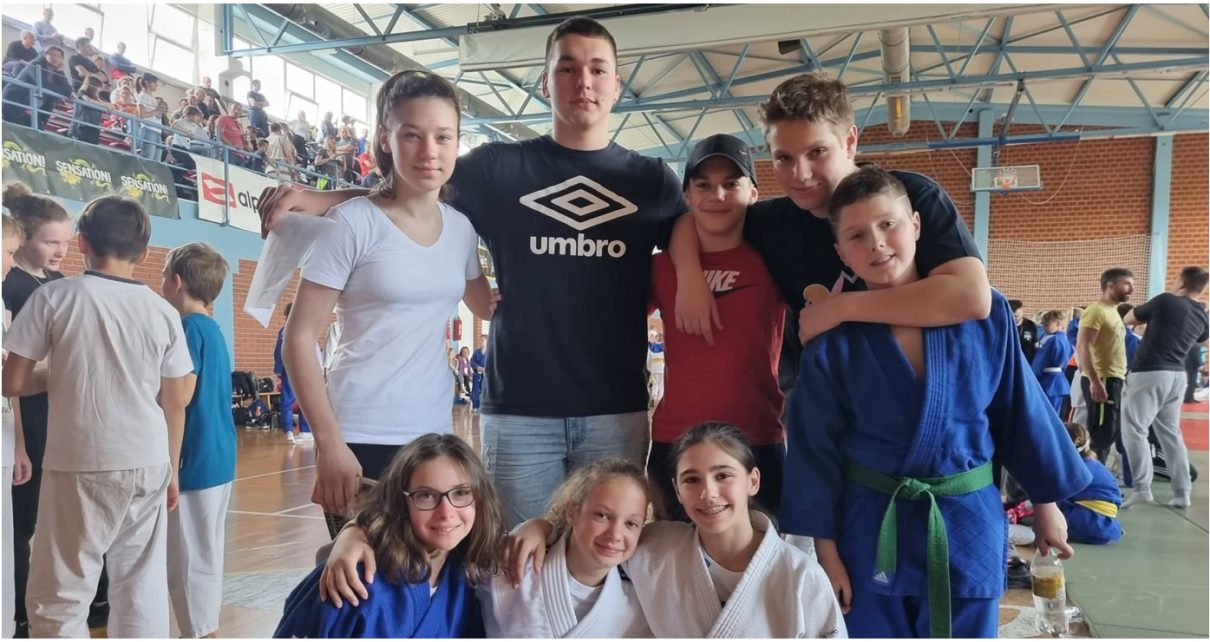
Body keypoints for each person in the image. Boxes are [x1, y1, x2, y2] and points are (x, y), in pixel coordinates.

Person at [258, 18, 688, 528]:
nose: (583, 82)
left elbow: (696, 236)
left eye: (598, 70)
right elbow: (409, 190)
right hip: (519, 412)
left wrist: (691, 278)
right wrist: (321, 198)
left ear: (616, 85)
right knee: (516, 559)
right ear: (544, 81)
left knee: (605, 556)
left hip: (615, 410)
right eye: (567, 68)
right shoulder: (497, 169)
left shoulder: (652, 180)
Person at [782, 167, 1090, 638]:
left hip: (967, 522)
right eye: (857, 236)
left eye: (888, 224)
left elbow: (1018, 409)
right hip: (871, 526)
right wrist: (827, 552)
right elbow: (813, 450)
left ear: (916, 226)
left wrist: (1045, 504)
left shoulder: (986, 316)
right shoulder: (833, 341)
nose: (877, 243)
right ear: (841, 251)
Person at [668, 72, 989, 431]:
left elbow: (970, 296)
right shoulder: (773, 222)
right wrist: (689, 278)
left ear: (849, 141)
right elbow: (692, 221)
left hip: (926, 405)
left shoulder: (905, 197)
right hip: (833, 412)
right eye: (783, 158)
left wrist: (839, 309)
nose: (800, 174)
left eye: (817, 152)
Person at [282, 71, 493, 531]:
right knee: (362, 570)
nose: (429, 151)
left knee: (427, 570)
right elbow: (298, 337)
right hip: (359, 433)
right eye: (412, 135)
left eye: (443, 137)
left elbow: (487, 306)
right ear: (385, 138)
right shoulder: (350, 223)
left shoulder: (461, 230)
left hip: (433, 436)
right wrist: (329, 442)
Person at [2, 195, 194, 638]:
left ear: (83, 242)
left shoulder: (54, 297)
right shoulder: (163, 311)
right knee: (141, 586)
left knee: (61, 588)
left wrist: (62, 372)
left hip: (81, 460)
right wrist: (172, 469)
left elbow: (12, 383)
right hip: (149, 458)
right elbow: (177, 397)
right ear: (145, 253)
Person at [475, 422, 846, 637]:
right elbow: (596, 539)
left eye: (723, 476)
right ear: (678, 492)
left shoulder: (801, 577)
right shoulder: (658, 547)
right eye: (692, 479)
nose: (708, 493)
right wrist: (540, 527)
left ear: (753, 481)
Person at [647, 133, 787, 520]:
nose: (717, 195)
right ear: (687, 196)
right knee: (674, 551)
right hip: (676, 437)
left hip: (756, 435)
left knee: (760, 550)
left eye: (731, 184)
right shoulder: (662, 267)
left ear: (753, 194)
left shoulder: (774, 262)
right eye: (704, 185)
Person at [274, 433, 503, 638]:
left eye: (461, 493)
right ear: (400, 501)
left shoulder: (463, 571)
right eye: (425, 495)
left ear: (480, 498)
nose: (446, 512)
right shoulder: (358, 583)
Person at [2, 183, 72, 637]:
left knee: (52, 516)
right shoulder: (13, 286)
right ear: (24, 238)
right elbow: (16, 367)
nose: (60, 251)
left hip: (53, 413)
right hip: (24, 412)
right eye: (51, 242)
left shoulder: (59, 284)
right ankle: (18, 612)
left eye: (65, 243)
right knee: (20, 520)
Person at [159, 243, 237, 638]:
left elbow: (181, 395)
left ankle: (199, 633)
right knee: (204, 552)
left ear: (177, 282)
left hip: (194, 459)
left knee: (188, 559)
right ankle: (202, 630)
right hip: (218, 456)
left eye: (162, 276)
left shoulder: (188, 328)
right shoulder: (211, 327)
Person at [1120, 266, 1210, 509]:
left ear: (1181, 282)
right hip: (1177, 376)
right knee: (1171, 434)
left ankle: (1142, 487)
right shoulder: (1201, 313)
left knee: (1134, 430)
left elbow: (1128, 318)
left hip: (1149, 373)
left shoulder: (1165, 300)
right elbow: (1204, 341)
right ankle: (1182, 492)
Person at [1, 213, 34, 640]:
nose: (12, 263)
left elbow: (11, 387)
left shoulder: (3, 307)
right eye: (9, 252)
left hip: (5, 439)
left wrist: (20, 444)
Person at [1077, 267, 1133, 463]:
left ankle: (1097, 472)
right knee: (1101, 433)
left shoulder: (1113, 311)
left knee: (1109, 430)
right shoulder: (1096, 311)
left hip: (1113, 378)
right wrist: (1094, 381)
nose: (1131, 289)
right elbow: (1083, 345)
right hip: (1103, 378)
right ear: (1111, 285)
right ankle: (1092, 475)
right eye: (1127, 284)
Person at [1058, 422, 1123, 545]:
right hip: (1105, 523)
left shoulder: (1074, 468)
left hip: (1085, 520)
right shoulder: (1094, 464)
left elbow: (1054, 497)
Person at [1, 46, 73, 131]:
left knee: (38, 132)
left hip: (33, 109)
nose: (55, 58)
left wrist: (59, 73)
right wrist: (60, 90)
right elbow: (43, 84)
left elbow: (68, 90)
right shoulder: (35, 64)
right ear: (45, 55)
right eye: (52, 54)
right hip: (15, 103)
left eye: (59, 56)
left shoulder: (58, 72)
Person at [274, 303, 312, 444]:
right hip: (303, 368)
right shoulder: (305, 329)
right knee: (305, 399)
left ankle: (289, 431)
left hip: (290, 368)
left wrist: (278, 369)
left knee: (287, 401)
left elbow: (278, 351)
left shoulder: (284, 331)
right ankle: (305, 431)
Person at [1032, 309, 1075, 415]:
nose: (1045, 327)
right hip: (1059, 380)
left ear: (1058, 323)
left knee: (1044, 414)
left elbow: (1039, 362)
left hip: (1047, 381)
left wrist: (1032, 377)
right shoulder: (1066, 340)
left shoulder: (1050, 340)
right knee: (1055, 414)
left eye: (1047, 325)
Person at [134, 73, 166, 160]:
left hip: (157, 130)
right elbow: (142, 115)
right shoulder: (142, 96)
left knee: (156, 160)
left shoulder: (152, 98)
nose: (157, 85)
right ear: (147, 83)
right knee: (148, 158)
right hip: (148, 129)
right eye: (154, 82)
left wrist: (159, 112)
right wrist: (156, 111)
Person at [70, 77, 106, 146]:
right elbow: (88, 100)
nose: (99, 89)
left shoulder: (98, 98)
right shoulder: (82, 92)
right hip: (82, 125)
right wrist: (103, 105)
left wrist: (104, 105)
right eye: (98, 87)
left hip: (94, 127)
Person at [469, 336, 486, 413]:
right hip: (477, 374)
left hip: (486, 375)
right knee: (475, 391)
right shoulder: (476, 352)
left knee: (484, 391)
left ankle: (483, 407)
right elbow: (472, 361)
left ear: (487, 341)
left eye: (482, 340)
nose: (480, 341)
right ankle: (475, 406)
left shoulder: (490, 352)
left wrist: (486, 368)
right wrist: (477, 367)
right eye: (480, 340)